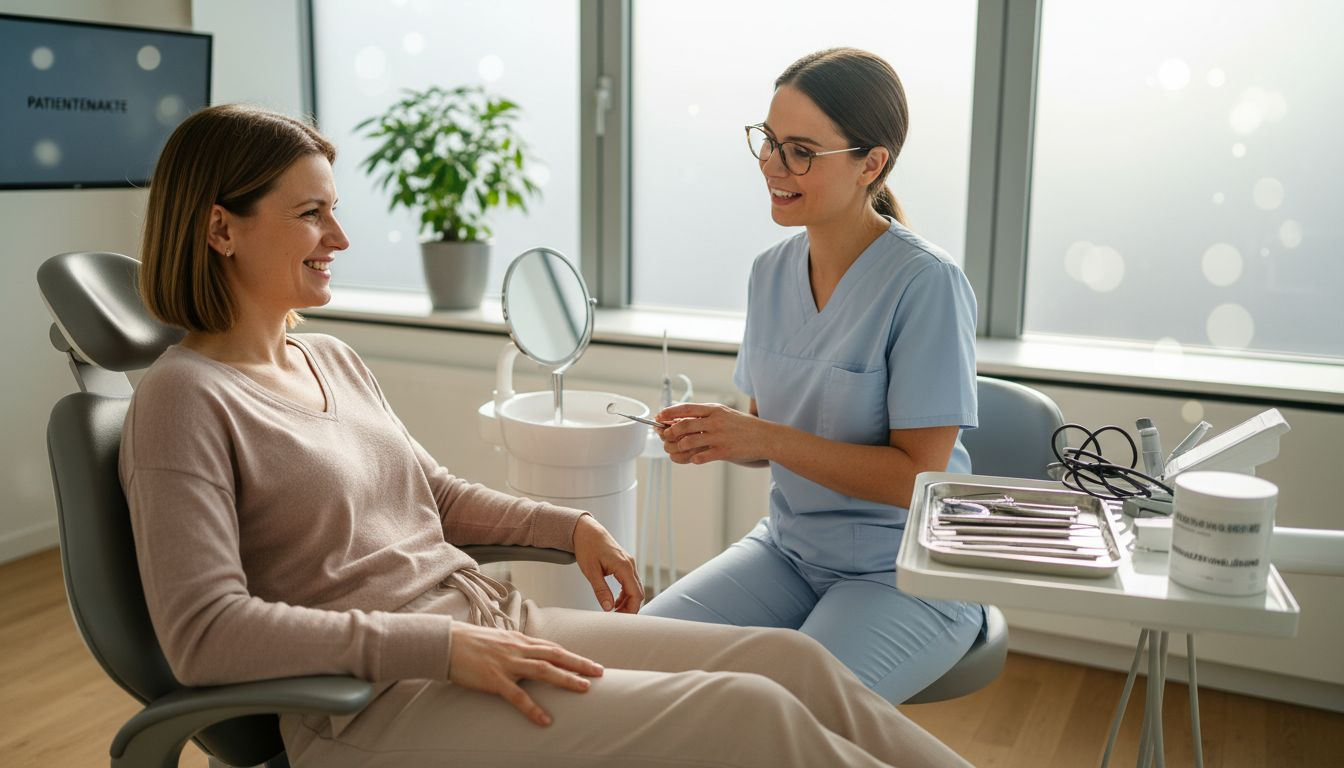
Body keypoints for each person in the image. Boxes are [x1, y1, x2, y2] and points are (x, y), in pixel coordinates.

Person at [121, 103, 971, 767]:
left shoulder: (330, 358)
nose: (340, 238)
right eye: (312, 215)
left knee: (788, 667)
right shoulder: (182, 400)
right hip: (372, 703)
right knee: (748, 716)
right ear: (220, 228)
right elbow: (204, 636)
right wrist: (439, 645)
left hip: (486, 621)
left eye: (334, 212)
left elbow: (437, 497)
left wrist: (569, 528)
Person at [641, 48, 985, 705]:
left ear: (871, 164)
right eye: (769, 142)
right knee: (630, 663)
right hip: (789, 552)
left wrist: (761, 439)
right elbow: (768, 431)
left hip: (904, 572)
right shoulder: (769, 272)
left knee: (777, 718)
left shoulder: (926, 285)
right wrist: (715, 434)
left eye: (801, 151)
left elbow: (919, 478)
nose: (773, 166)